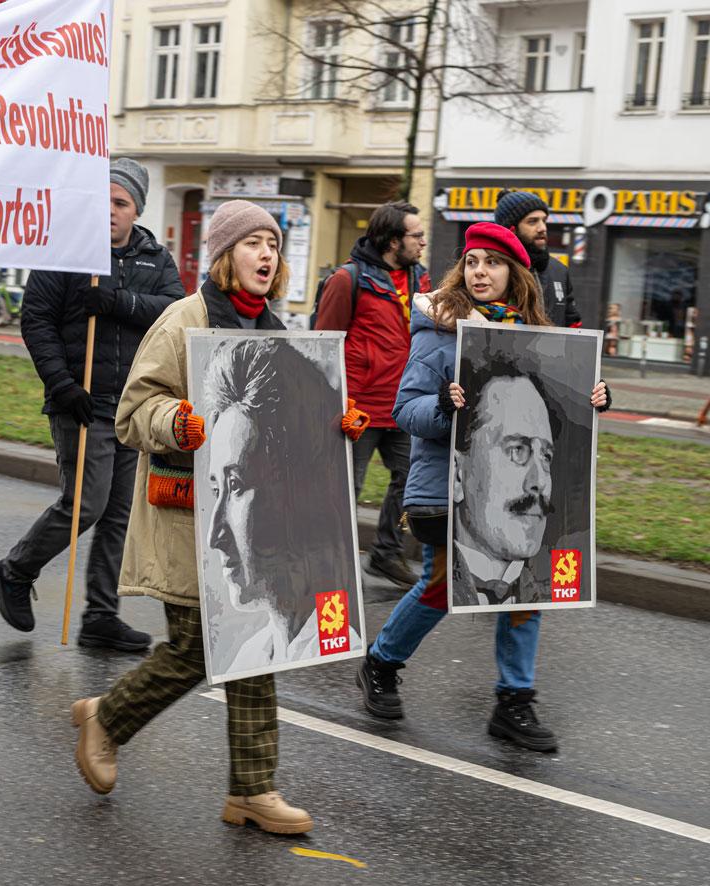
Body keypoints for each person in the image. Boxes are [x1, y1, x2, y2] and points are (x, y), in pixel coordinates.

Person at [70, 200, 359, 836]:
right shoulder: (184, 322)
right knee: (198, 650)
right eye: (254, 243)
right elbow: (132, 410)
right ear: (227, 255)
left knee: (254, 643)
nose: (267, 256)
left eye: (274, 246)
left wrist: (335, 425)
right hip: (191, 523)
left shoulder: (280, 334)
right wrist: (175, 420)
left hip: (260, 527)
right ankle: (107, 719)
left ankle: (252, 791)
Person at [355, 222, 609, 753]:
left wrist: (594, 399)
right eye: (471, 262)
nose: (479, 272)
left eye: (491, 263)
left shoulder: (534, 336)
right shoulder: (439, 329)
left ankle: (513, 701)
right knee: (443, 588)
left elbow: (557, 421)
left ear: (514, 274)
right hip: (450, 489)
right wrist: (445, 406)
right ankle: (380, 662)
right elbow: (406, 411)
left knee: (528, 588)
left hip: (523, 494)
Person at [0, 157, 184, 652]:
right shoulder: (67, 253)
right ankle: (15, 570)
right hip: (81, 403)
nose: (110, 210)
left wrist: (120, 303)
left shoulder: (155, 259)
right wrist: (61, 385)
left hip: (131, 407)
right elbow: (36, 321)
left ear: (136, 208)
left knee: (120, 515)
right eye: (103, 201)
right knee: (85, 505)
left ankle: (101, 616)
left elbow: (176, 313)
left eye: (119, 203)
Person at [202, 338, 362, 676]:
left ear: (298, 487)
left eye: (235, 485)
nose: (213, 535)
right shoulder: (251, 657)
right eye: (216, 488)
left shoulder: (333, 641)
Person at [315, 201, 431, 588]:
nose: (423, 242)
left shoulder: (422, 281)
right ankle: (329, 563)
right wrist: (330, 402)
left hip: (404, 406)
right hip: (357, 410)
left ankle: (387, 552)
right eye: (417, 236)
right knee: (346, 491)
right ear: (393, 241)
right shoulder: (347, 280)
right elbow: (321, 345)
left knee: (412, 484)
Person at [451, 352, 558, 607]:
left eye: (545, 456)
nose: (539, 481)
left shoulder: (546, 588)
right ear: (458, 474)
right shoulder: (441, 579)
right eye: (517, 450)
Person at [493, 191, 582, 328]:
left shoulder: (559, 270)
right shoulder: (492, 269)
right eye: (532, 221)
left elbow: (572, 322)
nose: (542, 228)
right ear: (512, 229)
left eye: (544, 220)